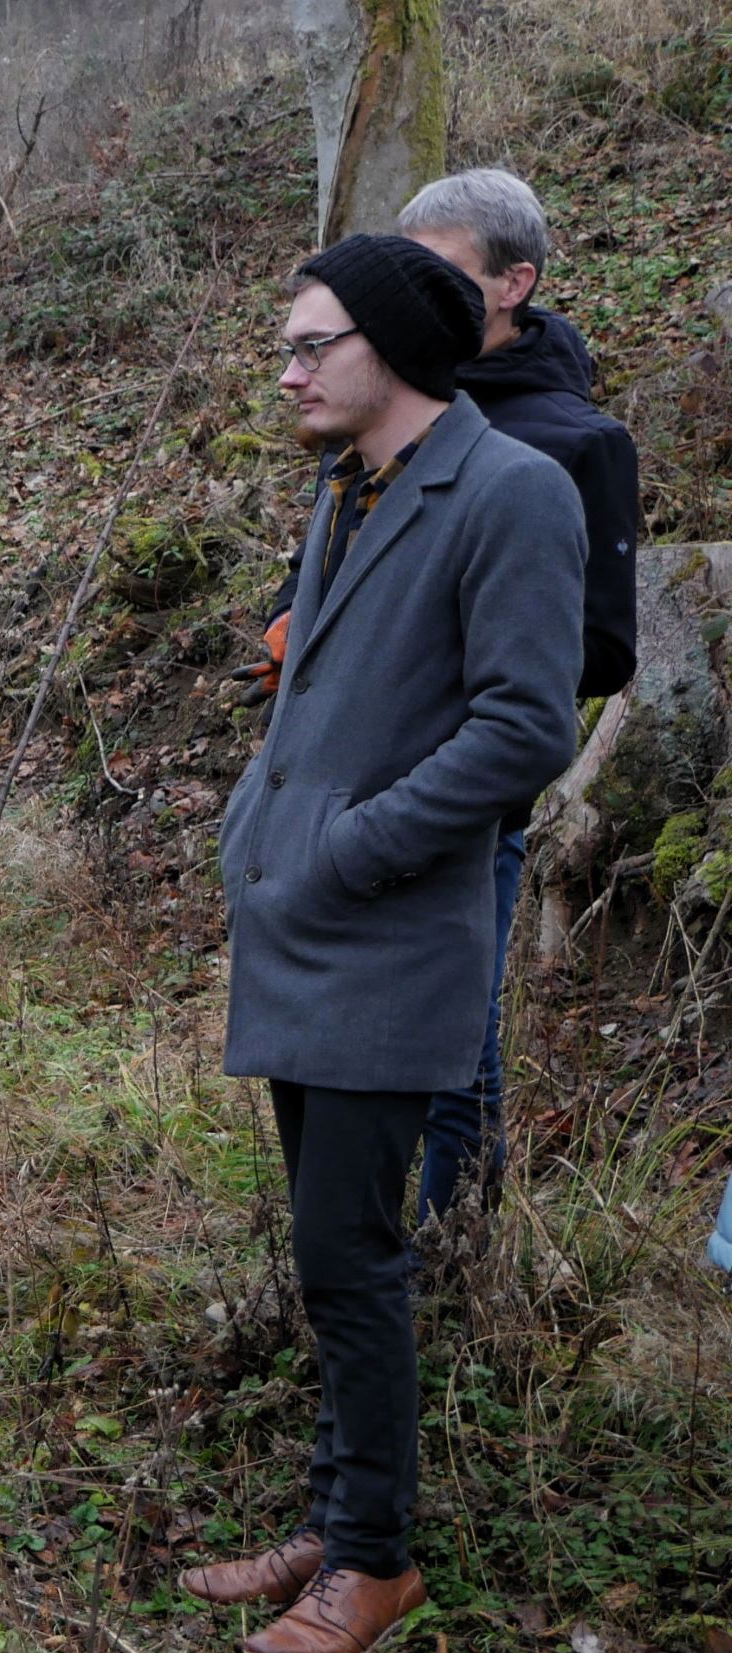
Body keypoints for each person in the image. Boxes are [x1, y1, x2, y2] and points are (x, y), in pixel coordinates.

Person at [191, 234, 584, 1653]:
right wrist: (264, 825)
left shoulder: (512, 491)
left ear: (397, 352)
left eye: (312, 346)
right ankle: (340, 1509)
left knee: (350, 1251)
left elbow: (525, 727)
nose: (288, 369)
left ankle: (375, 1558)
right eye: (288, 345)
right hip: (300, 918)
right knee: (326, 1244)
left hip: (391, 931)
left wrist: (349, 844)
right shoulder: (348, 484)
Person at [235, 170, 641, 1223]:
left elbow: (586, 656)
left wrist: (416, 693)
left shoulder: (560, 447)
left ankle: (454, 1238)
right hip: (338, 798)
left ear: (514, 284)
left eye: (443, 271)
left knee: (456, 1045)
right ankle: (385, 1256)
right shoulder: (364, 431)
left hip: (452, 809)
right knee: (337, 1121)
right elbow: (333, 583)